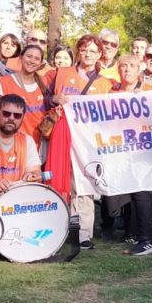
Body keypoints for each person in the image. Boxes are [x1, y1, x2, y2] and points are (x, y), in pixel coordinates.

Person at [48, 34, 115, 249]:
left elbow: (110, 115)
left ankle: (83, 234)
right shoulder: (61, 73)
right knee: (59, 180)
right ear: (78, 51)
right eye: (84, 49)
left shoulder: (104, 84)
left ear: (100, 54)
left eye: (93, 51)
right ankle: (55, 228)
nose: (88, 54)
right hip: (62, 133)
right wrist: (54, 99)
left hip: (87, 141)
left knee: (84, 183)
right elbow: (44, 97)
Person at [109, 55, 152, 256]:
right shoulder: (111, 92)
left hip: (143, 150)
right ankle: (132, 232)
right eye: (123, 66)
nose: (127, 69)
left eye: (132, 66)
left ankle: (146, 240)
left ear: (139, 70)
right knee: (127, 191)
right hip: (119, 150)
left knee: (142, 193)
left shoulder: (150, 92)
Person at [0, 44, 48, 148]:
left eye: (36, 58)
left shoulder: (45, 83)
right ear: (21, 57)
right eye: (29, 56)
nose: (32, 61)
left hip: (37, 144)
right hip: (11, 142)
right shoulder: (6, 81)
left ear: (40, 63)